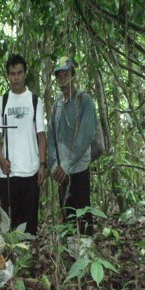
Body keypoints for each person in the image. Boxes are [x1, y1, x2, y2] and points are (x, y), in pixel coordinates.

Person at [0, 54, 47, 235]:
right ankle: (12, 261)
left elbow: (41, 136)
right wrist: (0, 158)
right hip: (8, 172)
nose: (16, 77)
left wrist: (42, 165)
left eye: (19, 73)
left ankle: (29, 259)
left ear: (25, 74)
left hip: (30, 171)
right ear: (8, 76)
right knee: (9, 225)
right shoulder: (2, 101)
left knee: (29, 225)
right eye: (12, 74)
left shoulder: (35, 101)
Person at [48, 56, 97, 236]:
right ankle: (69, 254)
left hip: (78, 168)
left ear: (73, 75)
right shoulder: (57, 107)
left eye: (66, 74)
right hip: (62, 172)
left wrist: (67, 164)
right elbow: (51, 137)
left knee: (83, 213)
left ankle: (86, 252)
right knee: (67, 214)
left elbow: (86, 135)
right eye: (59, 76)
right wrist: (54, 165)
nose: (63, 80)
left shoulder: (84, 101)